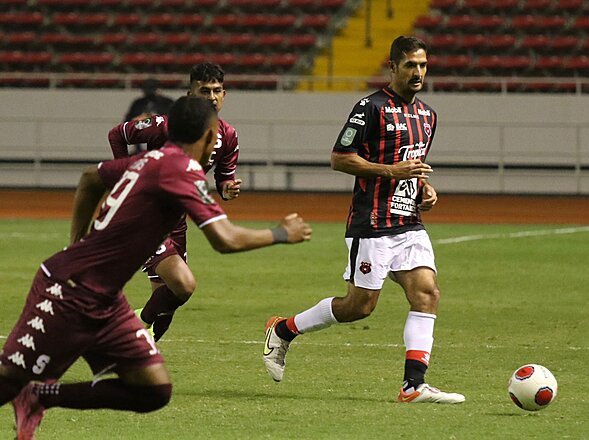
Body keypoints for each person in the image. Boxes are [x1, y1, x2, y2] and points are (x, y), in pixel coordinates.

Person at [0, 96, 312, 439]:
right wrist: (282, 233)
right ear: (209, 137)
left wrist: (78, 241)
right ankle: (25, 390)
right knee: (6, 381)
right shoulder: (182, 169)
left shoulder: (152, 158)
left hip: (107, 300)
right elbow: (225, 239)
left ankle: (38, 396)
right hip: (69, 290)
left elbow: (91, 178)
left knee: (153, 390)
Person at [262, 36, 465, 404]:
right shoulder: (370, 108)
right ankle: (284, 329)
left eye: (422, 65)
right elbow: (340, 158)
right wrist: (391, 172)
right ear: (393, 67)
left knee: (427, 293)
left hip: (409, 222)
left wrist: (423, 188)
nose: (418, 72)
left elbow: (411, 165)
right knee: (359, 307)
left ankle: (413, 386)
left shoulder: (428, 116)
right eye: (410, 65)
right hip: (371, 223)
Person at [109, 63, 242, 341]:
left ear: (224, 94)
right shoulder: (162, 125)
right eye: (204, 90)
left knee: (167, 305)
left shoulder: (227, 135)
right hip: (145, 216)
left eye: (217, 91)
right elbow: (118, 134)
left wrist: (227, 189)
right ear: (190, 93)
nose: (211, 97)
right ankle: (130, 327)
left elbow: (225, 178)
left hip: (176, 219)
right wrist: (123, 174)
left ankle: (136, 356)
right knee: (182, 285)